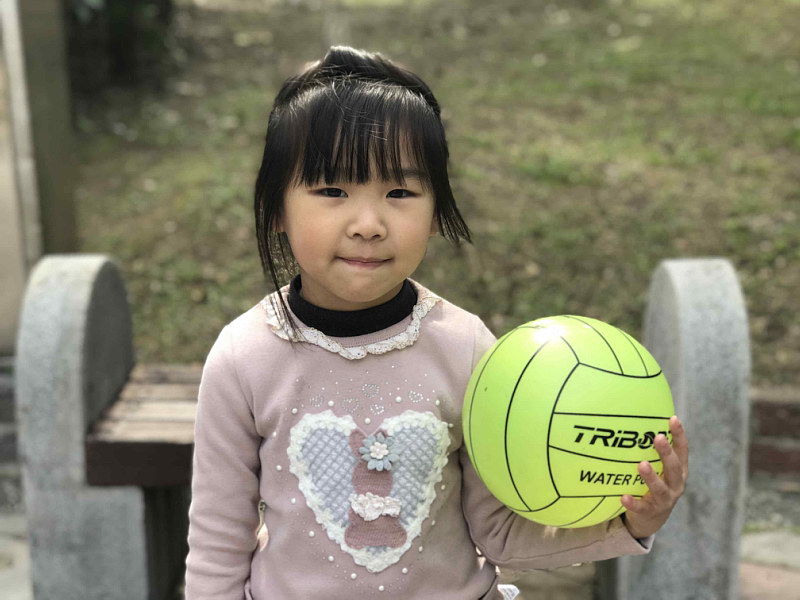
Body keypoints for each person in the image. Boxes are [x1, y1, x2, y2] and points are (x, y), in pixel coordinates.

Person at [184, 45, 689, 600]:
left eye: (400, 192)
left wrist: (631, 520)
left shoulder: (466, 348)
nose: (369, 223)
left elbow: (500, 534)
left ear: (435, 211)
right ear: (277, 208)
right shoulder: (243, 357)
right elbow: (217, 546)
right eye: (332, 191)